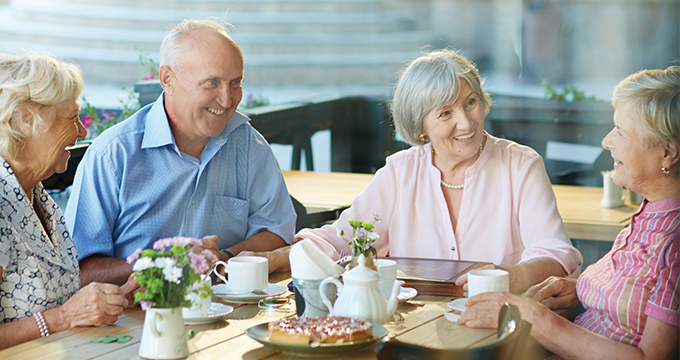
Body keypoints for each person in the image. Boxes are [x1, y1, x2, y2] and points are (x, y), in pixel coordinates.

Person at [258, 49, 583, 293]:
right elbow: (342, 240)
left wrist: (512, 276)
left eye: (471, 102)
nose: (466, 122)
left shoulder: (521, 165)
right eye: (446, 113)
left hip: (497, 320)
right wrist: (277, 258)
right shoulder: (400, 172)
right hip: (410, 322)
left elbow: (556, 254)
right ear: (421, 127)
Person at [459, 67, 679, 360]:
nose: (607, 142)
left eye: (621, 132)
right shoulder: (649, 212)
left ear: (667, 153)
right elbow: (638, 294)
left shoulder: (674, 243)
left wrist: (532, 317)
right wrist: (582, 290)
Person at [64, 19, 296, 286]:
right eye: (211, 83)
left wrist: (221, 257)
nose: (227, 99)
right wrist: (159, 262)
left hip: (228, 313)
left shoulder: (248, 144)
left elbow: (276, 230)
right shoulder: (113, 155)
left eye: (235, 83)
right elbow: (79, 272)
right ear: (167, 80)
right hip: (136, 320)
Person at [0, 53, 134, 350]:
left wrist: (117, 297)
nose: (83, 132)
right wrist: (61, 318)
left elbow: (60, 302)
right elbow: (60, 315)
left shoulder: (37, 196)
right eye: (73, 118)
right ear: (26, 120)